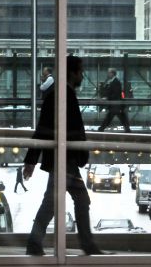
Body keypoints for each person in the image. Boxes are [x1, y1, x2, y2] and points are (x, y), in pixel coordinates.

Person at [23, 55, 103, 256]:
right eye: (81, 72)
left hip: (63, 158)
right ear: (73, 73)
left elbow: (42, 129)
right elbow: (45, 129)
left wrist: (31, 160)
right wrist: (30, 161)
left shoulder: (58, 94)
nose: (82, 76)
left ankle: (36, 242)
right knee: (74, 200)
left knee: (56, 201)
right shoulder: (62, 94)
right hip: (65, 159)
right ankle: (86, 243)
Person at [97, 67, 130, 132]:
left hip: (115, 104)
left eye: (109, 72)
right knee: (120, 117)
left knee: (110, 117)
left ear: (112, 73)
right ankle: (127, 129)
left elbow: (116, 93)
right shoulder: (112, 81)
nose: (108, 74)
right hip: (115, 105)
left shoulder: (116, 82)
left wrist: (107, 98)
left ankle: (101, 128)